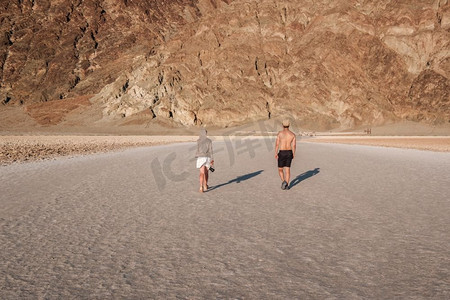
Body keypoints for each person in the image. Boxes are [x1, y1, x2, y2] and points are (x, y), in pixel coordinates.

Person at [275, 119, 296, 190]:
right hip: (289, 152)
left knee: (280, 169)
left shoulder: (280, 134)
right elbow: (294, 145)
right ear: (289, 125)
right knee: (287, 170)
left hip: (282, 152)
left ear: (282, 125)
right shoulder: (292, 135)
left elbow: (277, 144)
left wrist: (275, 153)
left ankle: (284, 181)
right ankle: (286, 184)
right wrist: (293, 153)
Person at [195, 128, 214, 193]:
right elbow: (211, 150)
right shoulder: (209, 141)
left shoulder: (198, 141)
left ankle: (201, 187)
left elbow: (197, 150)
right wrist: (212, 159)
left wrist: (196, 156)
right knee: (206, 172)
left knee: (201, 173)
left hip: (200, 158)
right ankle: (205, 185)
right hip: (207, 157)